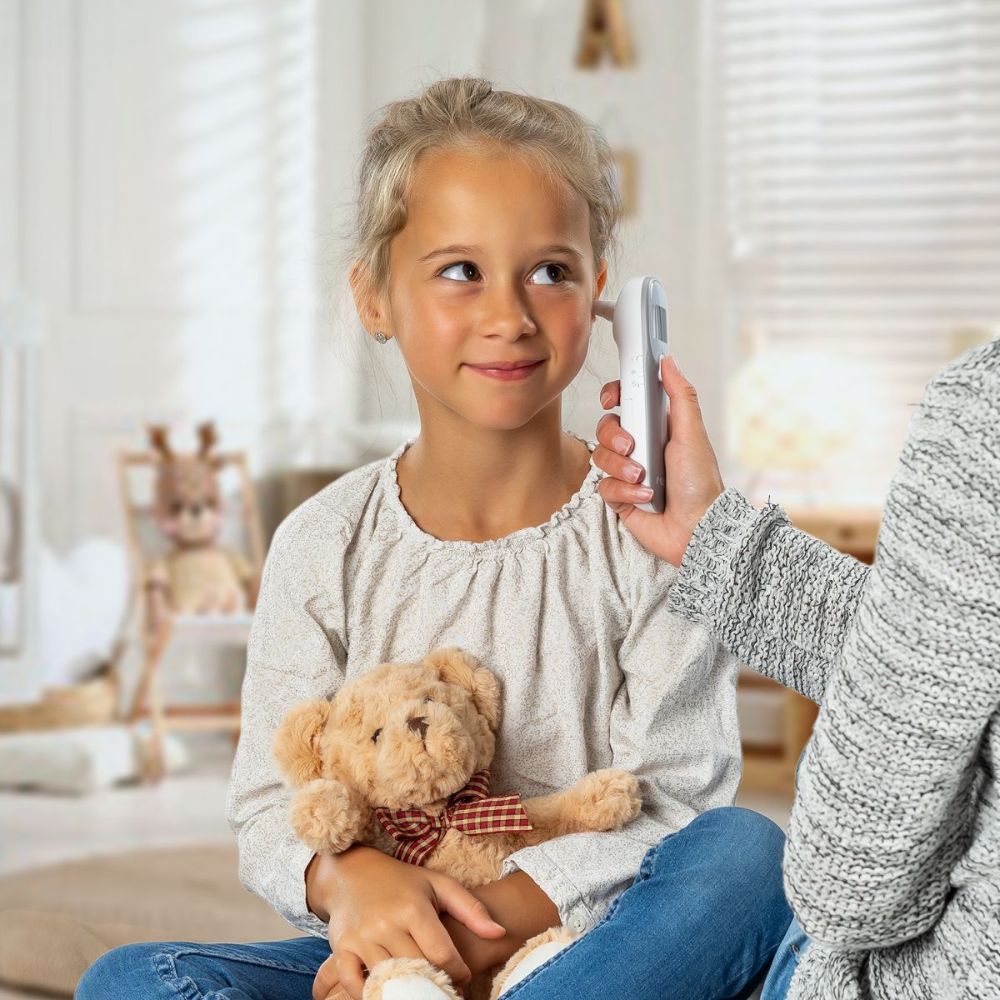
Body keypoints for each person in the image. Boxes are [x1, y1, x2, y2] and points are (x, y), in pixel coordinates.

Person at [75, 77, 791, 1000]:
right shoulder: (323, 544)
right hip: (396, 966)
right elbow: (268, 805)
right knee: (133, 980)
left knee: (746, 856)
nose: (511, 315)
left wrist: (482, 942)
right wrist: (350, 881)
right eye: (461, 270)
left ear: (602, 295)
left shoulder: (648, 531)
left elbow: (673, 804)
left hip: (597, 952)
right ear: (375, 297)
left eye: (552, 271)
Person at [590, 341, 1000, 999]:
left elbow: (846, 887)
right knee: (740, 843)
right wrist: (715, 542)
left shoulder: (984, 415)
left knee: (746, 857)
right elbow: (952, 642)